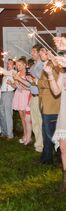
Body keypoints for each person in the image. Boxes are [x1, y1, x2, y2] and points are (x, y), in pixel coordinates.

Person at [44, 62, 66, 191]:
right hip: (64, 113)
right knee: (63, 147)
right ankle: (65, 181)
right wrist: (50, 74)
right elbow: (56, 91)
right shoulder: (63, 71)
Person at [37, 48, 61, 165]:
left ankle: (57, 157)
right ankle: (46, 157)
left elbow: (54, 83)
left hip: (52, 104)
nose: (41, 53)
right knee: (46, 133)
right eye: (40, 52)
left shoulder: (55, 65)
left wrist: (38, 82)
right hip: (45, 104)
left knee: (50, 133)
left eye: (43, 51)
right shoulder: (47, 64)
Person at [11, 58, 32, 145]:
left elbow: (29, 86)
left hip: (26, 95)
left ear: (24, 65)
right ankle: (25, 135)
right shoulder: (17, 73)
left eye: (20, 65)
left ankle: (29, 136)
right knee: (22, 118)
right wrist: (12, 84)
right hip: (19, 95)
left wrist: (22, 85)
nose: (18, 67)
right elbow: (15, 86)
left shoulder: (28, 73)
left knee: (27, 118)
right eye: (17, 65)